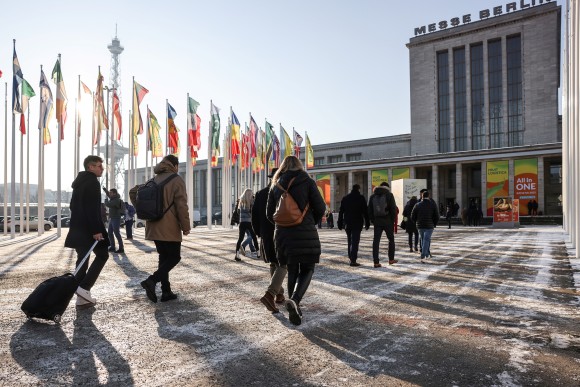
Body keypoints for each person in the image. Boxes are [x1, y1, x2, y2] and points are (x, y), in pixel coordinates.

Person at [266, 156, 326, 325]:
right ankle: (295, 300)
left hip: (282, 235)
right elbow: (320, 207)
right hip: (305, 231)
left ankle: (293, 304)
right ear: (299, 166)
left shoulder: (276, 184)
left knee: (292, 268)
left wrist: (284, 224)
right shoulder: (307, 181)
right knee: (308, 267)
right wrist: (307, 221)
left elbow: (269, 213)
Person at [140, 155, 191, 303]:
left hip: (153, 225)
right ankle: (152, 280)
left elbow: (135, 192)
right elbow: (181, 205)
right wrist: (186, 227)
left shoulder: (153, 180)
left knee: (164, 258)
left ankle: (166, 291)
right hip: (169, 226)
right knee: (174, 257)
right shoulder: (176, 180)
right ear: (175, 166)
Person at [64, 155, 110, 309]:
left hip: (78, 228)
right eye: (99, 166)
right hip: (90, 229)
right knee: (103, 255)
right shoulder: (92, 182)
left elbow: (73, 206)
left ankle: (80, 298)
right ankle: (84, 288)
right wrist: (96, 230)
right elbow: (92, 209)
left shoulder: (79, 183)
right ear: (90, 167)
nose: (102, 169)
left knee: (82, 261)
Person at [254, 168, 286, 313]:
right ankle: (270, 294)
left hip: (266, 234)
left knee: (274, 262)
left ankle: (279, 294)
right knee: (283, 264)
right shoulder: (281, 192)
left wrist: (258, 233)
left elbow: (254, 215)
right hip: (279, 232)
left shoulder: (260, 194)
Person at [337, 184, 370, 267]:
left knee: (349, 240)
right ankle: (353, 260)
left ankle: (351, 257)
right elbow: (365, 212)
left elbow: (341, 211)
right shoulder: (361, 198)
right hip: (357, 222)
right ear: (359, 189)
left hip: (348, 222)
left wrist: (340, 223)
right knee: (355, 241)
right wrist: (367, 222)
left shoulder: (345, 198)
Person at [368, 182, 398, 267]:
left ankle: (376, 262)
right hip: (388, 221)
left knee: (376, 241)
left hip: (377, 222)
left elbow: (369, 210)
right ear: (387, 187)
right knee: (391, 240)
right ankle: (391, 259)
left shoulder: (373, 196)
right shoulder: (389, 195)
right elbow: (393, 209)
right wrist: (392, 220)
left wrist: (373, 220)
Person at [411, 190, 439, 263]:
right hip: (429, 226)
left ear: (422, 196)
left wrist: (416, 222)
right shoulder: (432, 204)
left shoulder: (417, 205)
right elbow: (437, 216)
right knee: (426, 240)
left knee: (423, 239)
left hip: (420, 226)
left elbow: (412, 216)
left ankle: (427, 253)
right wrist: (434, 223)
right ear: (428, 196)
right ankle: (423, 255)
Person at [234, 189, 259, 261]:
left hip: (242, 223)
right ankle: (258, 253)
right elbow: (254, 212)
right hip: (249, 222)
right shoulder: (252, 202)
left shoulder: (241, 202)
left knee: (240, 239)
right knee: (254, 237)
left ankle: (237, 255)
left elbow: (238, 212)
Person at [105, 188, 125, 254]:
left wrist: (105, 200)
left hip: (116, 218)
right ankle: (112, 247)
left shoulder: (116, 200)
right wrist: (105, 190)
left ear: (114, 193)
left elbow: (108, 204)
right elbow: (109, 195)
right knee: (110, 233)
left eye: (111, 193)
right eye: (109, 193)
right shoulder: (113, 198)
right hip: (112, 218)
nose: (109, 194)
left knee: (117, 233)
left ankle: (121, 248)